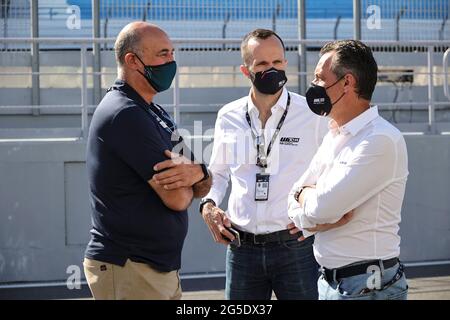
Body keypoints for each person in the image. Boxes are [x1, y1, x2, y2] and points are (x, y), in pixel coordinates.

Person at [83, 21, 212, 300]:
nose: (171, 61)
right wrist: (195, 176)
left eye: (172, 53)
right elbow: (177, 199)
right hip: (131, 267)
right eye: (163, 54)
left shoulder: (154, 112)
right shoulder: (125, 114)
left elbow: (201, 178)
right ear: (132, 60)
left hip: (155, 268)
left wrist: (199, 173)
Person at [199, 29, 328, 300]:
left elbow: (333, 169)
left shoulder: (311, 114)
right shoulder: (228, 116)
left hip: (296, 248)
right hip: (241, 249)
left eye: (277, 62)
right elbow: (219, 173)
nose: (272, 69)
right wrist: (208, 205)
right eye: (262, 64)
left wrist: (319, 218)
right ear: (246, 70)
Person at [288, 40, 409, 300]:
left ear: (347, 83)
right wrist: (316, 220)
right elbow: (294, 197)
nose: (314, 86)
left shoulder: (380, 140)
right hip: (330, 283)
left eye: (321, 78)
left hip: (368, 286)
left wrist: (312, 207)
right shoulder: (335, 133)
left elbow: (323, 207)